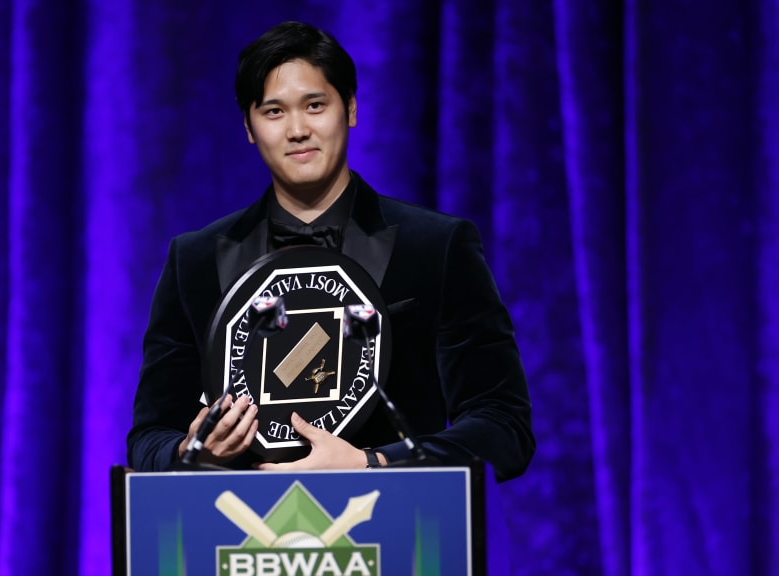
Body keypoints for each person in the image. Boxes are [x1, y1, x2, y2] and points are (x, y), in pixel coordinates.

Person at [127, 21, 535, 481]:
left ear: (351, 108)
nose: (298, 129)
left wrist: (374, 463)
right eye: (274, 112)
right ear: (248, 127)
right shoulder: (195, 260)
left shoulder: (437, 246)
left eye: (315, 105)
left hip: (393, 520)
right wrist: (196, 452)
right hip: (239, 522)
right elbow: (149, 439)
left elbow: (503, 426)